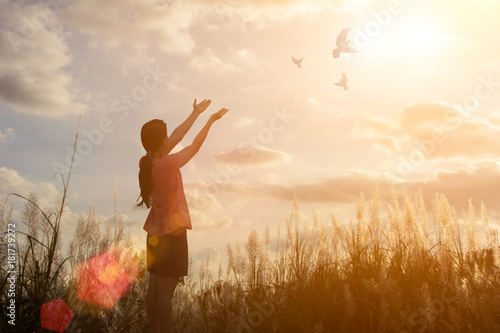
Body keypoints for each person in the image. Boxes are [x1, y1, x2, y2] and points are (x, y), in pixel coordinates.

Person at [137, 99, 229, 333]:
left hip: (154, 237)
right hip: (172, 236)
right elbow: (195, 145)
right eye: (166, 137)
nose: (171, 138)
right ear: (162, 142)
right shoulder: (166, 164)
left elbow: (178, 135)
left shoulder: (148, 162)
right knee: (165, 296)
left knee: (154, 292)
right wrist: (210, 120)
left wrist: (195, 113)